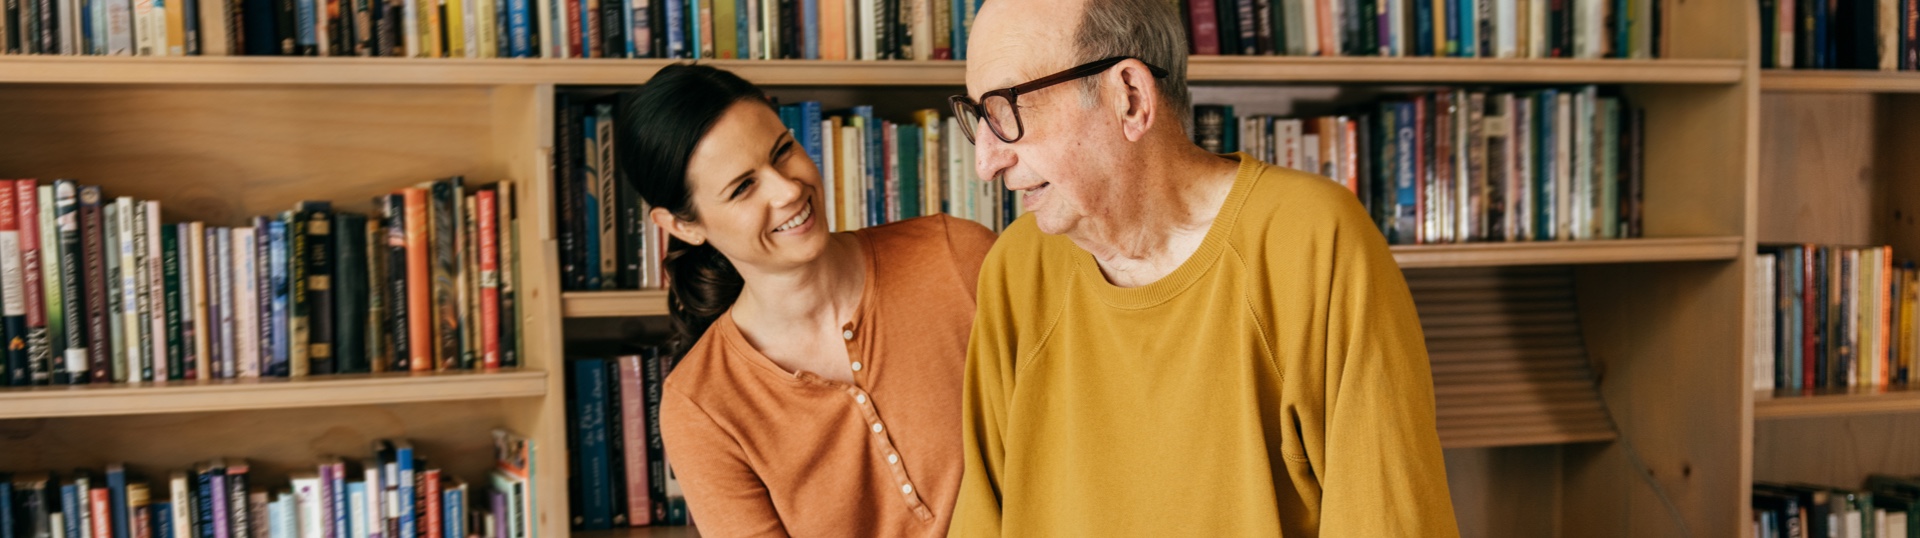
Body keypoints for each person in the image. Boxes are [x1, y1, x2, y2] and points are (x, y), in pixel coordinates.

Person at [945, 0, 1461, 535]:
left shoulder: (1312, 241)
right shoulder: (1016, 268)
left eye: (1007, 108)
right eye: (979, 117)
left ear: (1129, 98)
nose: (986, 162)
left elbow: (1391, 520)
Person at [616, 64, 995, 537]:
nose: (789, 189)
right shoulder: (700, 406)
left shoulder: (958, 256)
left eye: (782, 152)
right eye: (743, 187)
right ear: (683, 226)